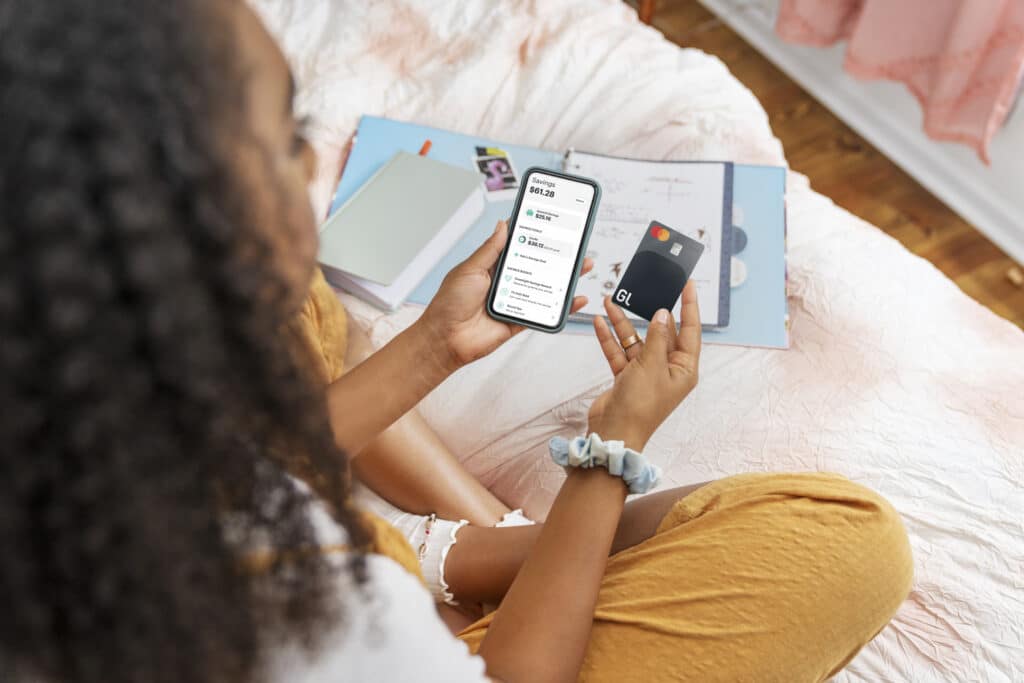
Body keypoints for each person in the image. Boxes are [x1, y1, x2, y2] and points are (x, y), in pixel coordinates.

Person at [0, 1, 913, 681]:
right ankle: (475, 555)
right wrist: (612, 447)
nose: (312, 163)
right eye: (281, 140)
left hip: (363, 566)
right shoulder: (317, 620)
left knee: (301, 310)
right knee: (847, 541)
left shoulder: (75, 411)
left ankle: (471, 552)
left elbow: (232, 470)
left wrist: (437, 343)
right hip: (476, 655)